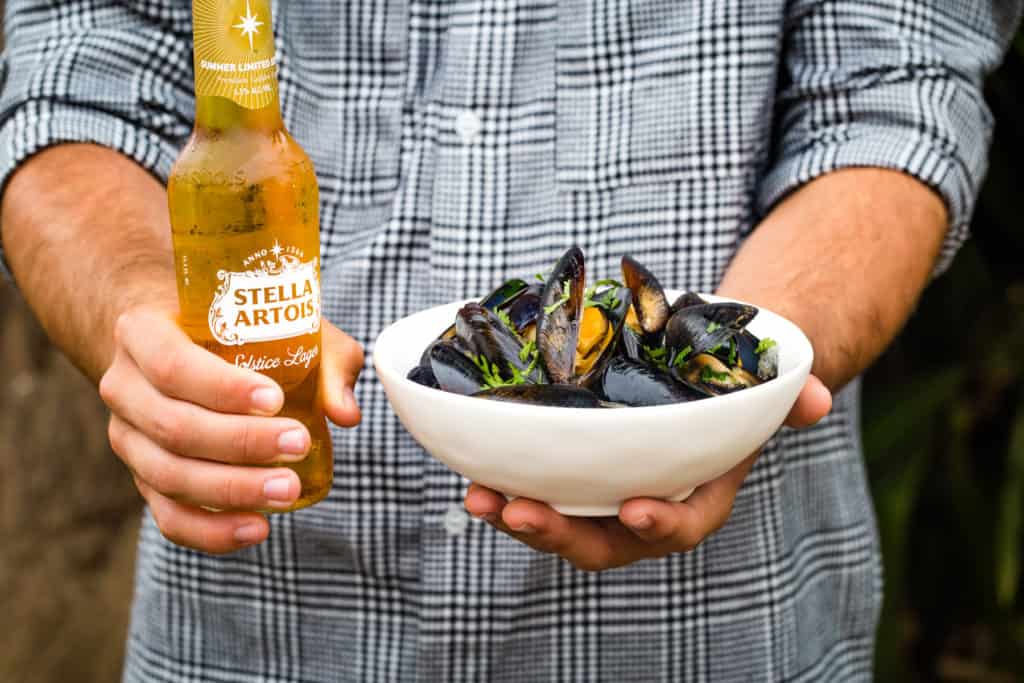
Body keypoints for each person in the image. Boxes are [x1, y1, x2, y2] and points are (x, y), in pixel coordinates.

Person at [1, 0, 1018, 680]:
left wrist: (715, 405)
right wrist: (140, 311)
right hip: (256, 624)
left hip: (719, 631)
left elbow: (894, 94)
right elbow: (73, 82)